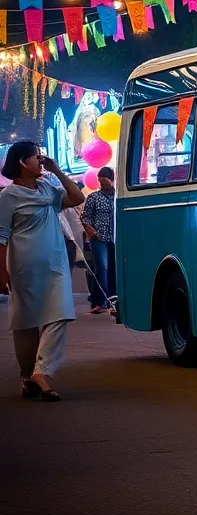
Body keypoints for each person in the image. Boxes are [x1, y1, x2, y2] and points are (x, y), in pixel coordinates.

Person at [0, 140, 86, 401]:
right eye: (36, 157)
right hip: (24, 266)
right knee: (25, 323)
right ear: (21, 162)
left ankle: (42, 371)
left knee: (60, 313)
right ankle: (29, 378)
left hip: (56, 264)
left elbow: (77, 197)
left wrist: (57, 170)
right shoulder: (8, 196)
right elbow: (1, 237)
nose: (40, 160)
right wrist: (2, 274)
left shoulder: (47, 188)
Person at [81, 166, 116, 312]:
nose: (102, 184)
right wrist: (90, 230)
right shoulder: (93, 197)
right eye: (100, 181)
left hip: (115, 238)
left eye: (105, 180)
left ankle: (112, 299)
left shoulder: (118, 197)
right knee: (102, 268)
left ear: (112, 180)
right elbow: (85, 217)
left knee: (114, 269)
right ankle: (102, 302)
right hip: (99, 238)